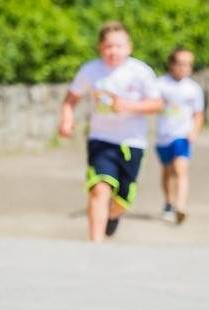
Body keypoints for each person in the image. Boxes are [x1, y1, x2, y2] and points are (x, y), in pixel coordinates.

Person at [58, 21, 163, 243]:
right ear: (100, 48)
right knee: (99, 189)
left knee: (123, 199)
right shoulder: (90, 70)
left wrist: (131, 106)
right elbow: (71, 99)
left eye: (118, 46)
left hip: (133, 142)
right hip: (101, 140)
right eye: (108, 46)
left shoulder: (140, 72)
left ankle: (113, 215)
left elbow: (157, 103)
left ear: (129, 47)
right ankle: (95, 248)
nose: (113, 51)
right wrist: (67, 119)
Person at [156, 47, 205, 225]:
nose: (184, 68)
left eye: (187, 65)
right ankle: (169, 202)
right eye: (180, 64)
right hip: (163, 135)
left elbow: (198, 114)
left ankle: (180, 206)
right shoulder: (160, 84)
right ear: (171, 64)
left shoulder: (193, 89)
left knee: (180, 169)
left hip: (182, 135)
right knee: (167, 171)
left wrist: (194, 131)